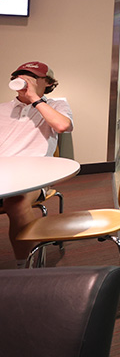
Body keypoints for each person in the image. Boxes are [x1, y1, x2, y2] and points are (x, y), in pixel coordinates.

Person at [1, 62, 73, 269]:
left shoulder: (56, 105)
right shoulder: (3, 109)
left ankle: (25, 268)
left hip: (34, 177)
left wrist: (34, 99)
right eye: (20, 75)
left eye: (32, 76)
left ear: (48, 83)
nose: (24, 79)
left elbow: (62, 126)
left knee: (15, 201)